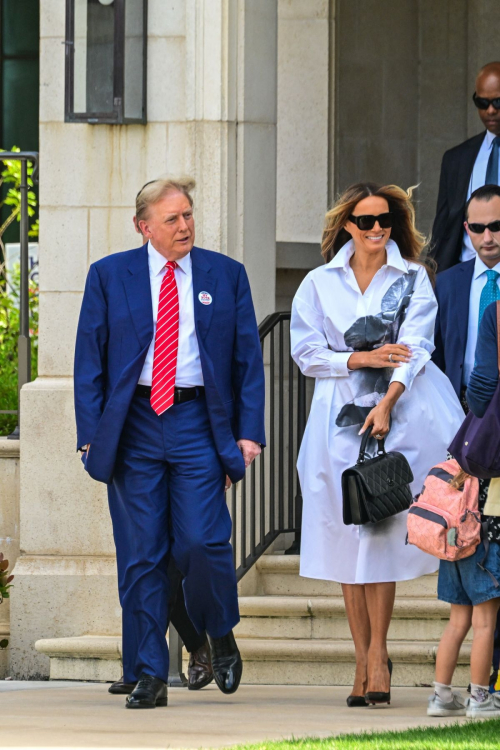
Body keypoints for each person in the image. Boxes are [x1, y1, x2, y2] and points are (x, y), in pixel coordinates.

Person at [74, 177, 265, 708]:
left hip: (197, 421)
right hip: (132, 424)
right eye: (172, 219)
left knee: (202, 542)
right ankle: (151, 673)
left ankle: (219, 630)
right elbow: (90, 359)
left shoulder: (225, 275)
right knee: (141, 555)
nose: (185, 226)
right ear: (144, 227)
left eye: (188, 216)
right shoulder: (110, 275)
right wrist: (89, 436)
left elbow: (247, 359)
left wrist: (249, 432)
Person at [290, 182, 464, 708]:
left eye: (384, 220)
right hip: (334, 419)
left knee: (380, 535)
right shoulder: (319, 282)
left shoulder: (413, 277)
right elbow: (305, 351)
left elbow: (415, 348)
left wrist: (386, 403)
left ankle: (379, 657)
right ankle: (361, 655)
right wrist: (359, 359)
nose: (377, 230)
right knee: (346, 539)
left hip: (399, 413)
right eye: (365, 221)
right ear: (348, 225)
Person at [426, 301, 500, 719]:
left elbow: (481, 382)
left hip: (458, 530)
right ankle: (480, 699)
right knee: (486, 621)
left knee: (458, 619)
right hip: (488, 530)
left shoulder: (471, 441)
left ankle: (440, 696)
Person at [433, 184, 500, 404]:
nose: (487, 238)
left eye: (496, 226)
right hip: (459, 406)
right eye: (477, 228)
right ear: (466, 228)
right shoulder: (446, 284)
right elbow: (436, 355)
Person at [431, 62, 500, 271]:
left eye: (498, 102)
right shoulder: (456, 159)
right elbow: (443, 230)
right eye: (482, 102)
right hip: (465, 276)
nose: (490, 110)